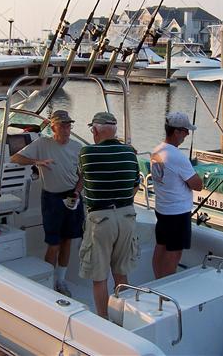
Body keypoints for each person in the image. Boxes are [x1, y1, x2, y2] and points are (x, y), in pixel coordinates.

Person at [11, 110, 83, 297]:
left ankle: (60, 280)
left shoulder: (78, 147)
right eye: (62, 125)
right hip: (52, 199)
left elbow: (84, 175)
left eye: (68, 125)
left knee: (68, 241)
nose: (66, 129)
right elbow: (15, 158)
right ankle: (48, 283)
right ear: (53, 127)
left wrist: (77, 191)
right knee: (54, 243)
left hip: (73, 197)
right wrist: (37, 162)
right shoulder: (42, 143)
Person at [78, 112, 140, 318]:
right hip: (127, 217)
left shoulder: (86, 153)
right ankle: (124, 317)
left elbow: (83, 180)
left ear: (95, 131)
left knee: (99, 275)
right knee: (121, 273)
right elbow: (134, 187)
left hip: (101, 219)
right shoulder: (130, 152)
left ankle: (104, 319)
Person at [150, 111, 203, 279]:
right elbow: (197, 185)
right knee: (174, 252)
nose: (187, 134)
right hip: (177, 212)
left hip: (162, 209)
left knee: (161, 245)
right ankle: (166, 287)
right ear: (176, 131)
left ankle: (158, 280)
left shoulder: (156, 150)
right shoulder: (177, 156)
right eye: (185, 131)